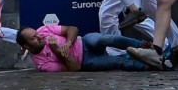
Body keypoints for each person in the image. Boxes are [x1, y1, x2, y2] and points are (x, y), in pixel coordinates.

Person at [16, 23, 163, 72]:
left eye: (36, 33)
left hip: (83, 42)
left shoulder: (43, 30)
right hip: (85, 61)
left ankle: (146, 47)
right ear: (26, 46)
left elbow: (72, 29)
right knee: (118, 63)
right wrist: (59, 52)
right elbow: (75, 68)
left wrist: (67, 43)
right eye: (33, 38)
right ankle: (153, 65)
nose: (39, 37)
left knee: (106, 39)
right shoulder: (42, 65)